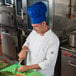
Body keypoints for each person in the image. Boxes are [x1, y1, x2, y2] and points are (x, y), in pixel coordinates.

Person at [18, 2, 60, 76]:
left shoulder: (53, 39)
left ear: (43, 23)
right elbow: (28, 42)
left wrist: (28, 67)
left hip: (43, 73)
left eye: (36, 26)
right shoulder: (34, 31)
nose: (34, 29)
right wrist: (24, 49)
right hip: (30, 72)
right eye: (32, 26)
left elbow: (48, 62)